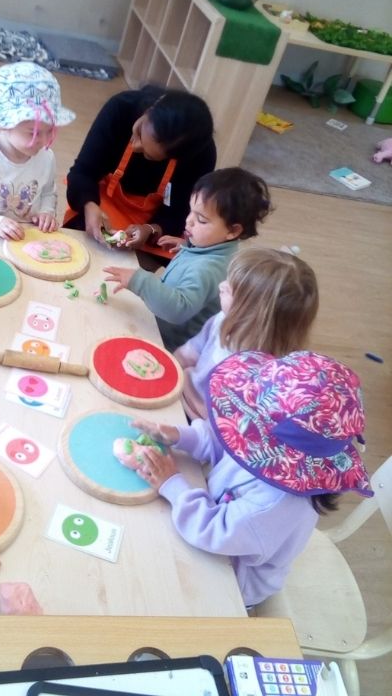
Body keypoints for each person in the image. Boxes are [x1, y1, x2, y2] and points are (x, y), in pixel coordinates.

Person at [132, 349, 373, 607]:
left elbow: (214, 531)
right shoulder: (265, 446)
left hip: (234, 577)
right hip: (217, 528)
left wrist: (172, 483)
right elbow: (223, 443)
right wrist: (181, 436)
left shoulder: (276, 504)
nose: (245, 429)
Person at [103, 168, 272, 351]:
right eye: (191, 211)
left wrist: (139, 281)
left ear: (233, 231)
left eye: (201, 220)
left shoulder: (207, 269)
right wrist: (188, 246)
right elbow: (205, 258)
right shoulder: (214, 247)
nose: (189, 221)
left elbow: (178, 309)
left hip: (168, 343)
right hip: (157, 322)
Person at [63, 85, 216, 257]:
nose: (135, 146)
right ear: (149, 111)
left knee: (151, 266)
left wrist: (151, 230)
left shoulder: (200, 155)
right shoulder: (121, 108)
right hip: (102, 204)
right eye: (138, 131)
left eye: (148, 155)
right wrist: (89, 206)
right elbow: (82, 172)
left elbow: (179, 214)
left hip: (156, 221)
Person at [175, 247, 319, 420]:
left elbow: (232, 424)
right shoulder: (223, 318)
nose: (221, 285)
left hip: (200, 423)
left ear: (251, 313)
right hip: (178, 390)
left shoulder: (266, 373)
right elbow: (191, 351)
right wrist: (169, 369)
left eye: (230, 289)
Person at [0, 62, 76, 240]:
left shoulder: (46, 157)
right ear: (3, 124)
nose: (44, 141)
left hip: (25, 241)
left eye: (49, 131)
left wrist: (46, 211)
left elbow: (48, 192)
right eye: (33, 133)